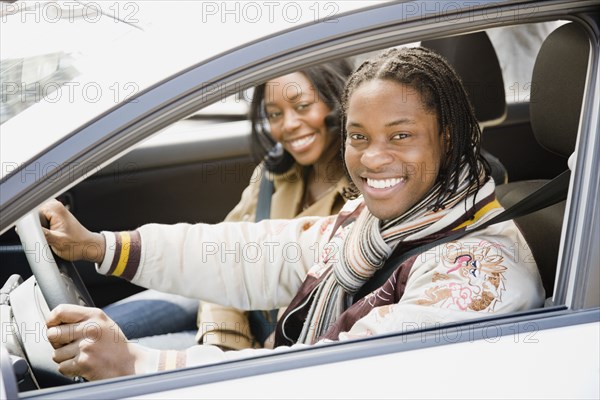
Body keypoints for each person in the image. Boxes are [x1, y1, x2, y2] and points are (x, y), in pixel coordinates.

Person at [41, 47, 544, 381]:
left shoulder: (475, 275)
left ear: (448, 138)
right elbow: (253, 252)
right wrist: (96, 246)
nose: (372, 158)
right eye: (359, 136)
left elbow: (316, 378)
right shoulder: (373, 224)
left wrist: (133, 362)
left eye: (402, 135)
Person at [103, 60, 354, 351]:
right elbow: (221, 255)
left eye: (302, 106)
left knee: (106, 358)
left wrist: (235, 357)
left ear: (339, 100)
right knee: (92, 330)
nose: (287, 125)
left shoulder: (363, 198)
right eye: (274, 114)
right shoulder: (273, 173)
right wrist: (223, 341)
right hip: (223, 311)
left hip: (272, 342)